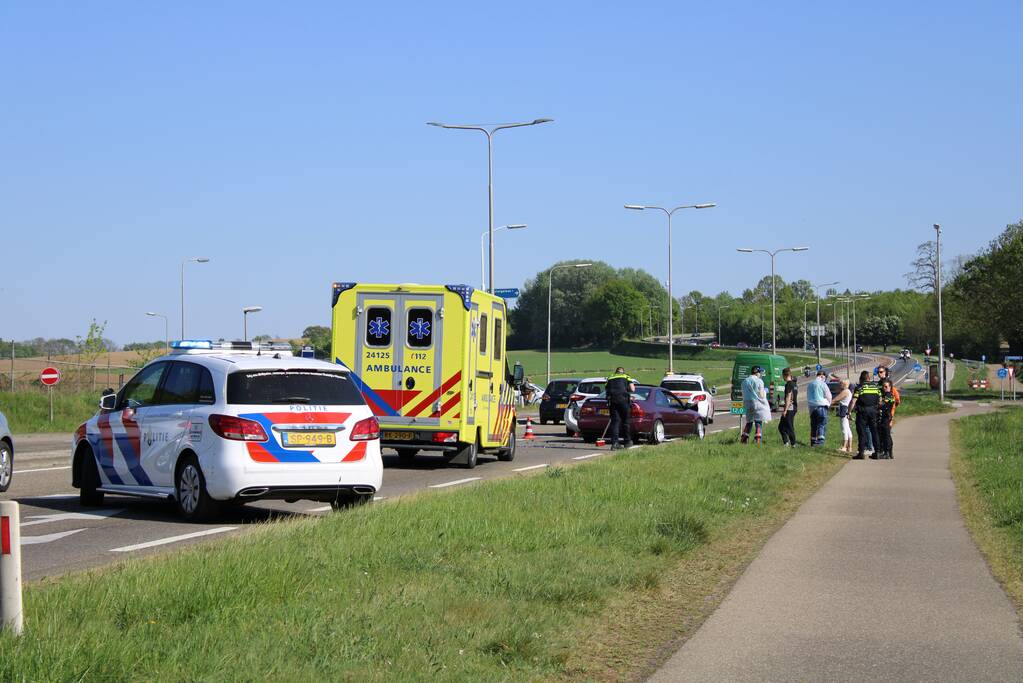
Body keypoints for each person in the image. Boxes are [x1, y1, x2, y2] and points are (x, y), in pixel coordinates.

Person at [848, 370, 881, 460]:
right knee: (874, 432)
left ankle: (861, 453)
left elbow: (853, 401)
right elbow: (880, 400)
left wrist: (849, 412)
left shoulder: (860, 387)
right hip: (874, 411)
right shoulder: (876, 387)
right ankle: (877, 452)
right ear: (869, 378)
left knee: (861, 432)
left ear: (861, 379)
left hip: (862, 412)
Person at [605, 367, 636, 450]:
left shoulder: (610, 377)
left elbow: (606, 389)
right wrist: (627, 389)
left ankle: (615, 444)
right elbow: (633, 389)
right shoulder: (626, 376)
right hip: (623, 401)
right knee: (625, 421)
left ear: (616, 372)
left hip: (612, 402)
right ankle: (627, 442)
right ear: (622, 372)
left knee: (615, 422)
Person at [740, 366, 772, 444]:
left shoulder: (744, 381)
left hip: (747, 403)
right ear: (757, 372)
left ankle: (744, 439)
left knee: (749, 421)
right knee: (758, 421)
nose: (760, 374)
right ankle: (758, 440)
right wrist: (765, 391)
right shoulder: (759, 381)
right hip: (757, 403)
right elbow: (761, 395)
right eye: (760, 372)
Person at [805, 370, 833, 446]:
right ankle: (820, 443)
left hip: (812, 407)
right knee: (821, 424)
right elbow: (829, 396)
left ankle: (813, 442)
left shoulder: (810, 384)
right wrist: (829, 404)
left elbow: (808, 396)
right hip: (821, 406)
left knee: (813, 425)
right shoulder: (823, 384)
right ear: (822, 376)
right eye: (825, 377)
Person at [876, 379, 897, 459]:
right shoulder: (887, 395)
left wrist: (877, 403)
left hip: (886, 418)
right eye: (883, 386)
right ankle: (889, 452)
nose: (884, 388)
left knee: (886, 435)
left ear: (890, 387)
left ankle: (887, 452)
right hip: (886, 417)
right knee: (886, 434)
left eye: (886, 386)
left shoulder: (888, 395)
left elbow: (881, 404)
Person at [778, 367, 798, 447]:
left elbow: (789, 397)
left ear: (784, 375)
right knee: (781, 426)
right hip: (793, 407)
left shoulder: (788, 384)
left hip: (790, 408)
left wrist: (785, 410)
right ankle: (786, 442)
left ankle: (793, 444)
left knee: (789, 426)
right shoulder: (794, 384)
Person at [831, 379, 853, 453]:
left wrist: (828, 404)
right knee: (847, 429)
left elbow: (836, 399)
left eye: (840, 384)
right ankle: (849, 447)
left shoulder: (845, 391)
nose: (839, 385)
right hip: (846, 409)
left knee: (844, 428)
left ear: (844, 384)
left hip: (843, 409)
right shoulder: (848, 391)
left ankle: (844, 446)